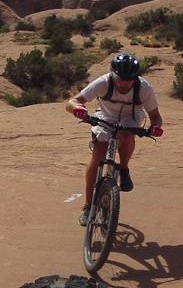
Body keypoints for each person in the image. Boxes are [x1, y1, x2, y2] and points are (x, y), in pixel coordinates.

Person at [65, 52, 164, 226]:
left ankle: (124, 169)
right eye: (120, 79)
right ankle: (88, 206)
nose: (125, 83)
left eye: (129, 79)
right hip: (105, 116)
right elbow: (72, 101)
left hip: (131, 117)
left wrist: (155, 127)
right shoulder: (104, 82)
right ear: (113, 74)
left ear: (136, 77)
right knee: (98, 155)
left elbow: (155, 115)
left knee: (126, 135)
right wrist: (77, 108)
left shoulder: (144, 88)